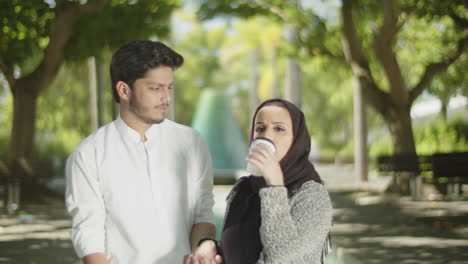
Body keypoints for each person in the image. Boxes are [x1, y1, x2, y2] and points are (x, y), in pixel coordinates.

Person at [65, 40, 220, 264]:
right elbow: (89, 234)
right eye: (155, 88)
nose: (166, 98)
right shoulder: (88, 154)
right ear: (124, 90)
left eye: (169, 87)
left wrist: (202, 248)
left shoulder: (192, 143)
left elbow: (203, 213)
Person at [194, 98, 333, 264]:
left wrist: (274, 186)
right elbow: (239, 249)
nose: (267, 136)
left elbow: (281, 256)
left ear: (296, 139)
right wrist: (210, 245)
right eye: (260, 128)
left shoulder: (313, 195)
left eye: (279, 129)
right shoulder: (244, 189)